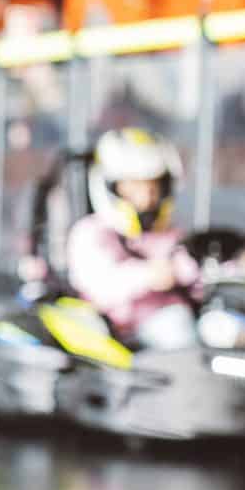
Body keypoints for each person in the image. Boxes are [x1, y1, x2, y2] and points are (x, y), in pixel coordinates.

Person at [66, 128, 201, 350]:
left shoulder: (170, 234)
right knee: (174, 326)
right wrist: (148, 275)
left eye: (154, 187)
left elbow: (193, 269)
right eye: (134, 187)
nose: (146, 197)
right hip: (120, 333)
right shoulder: (90, 233)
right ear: (111, 186)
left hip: (180, 321)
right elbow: (100, 285)